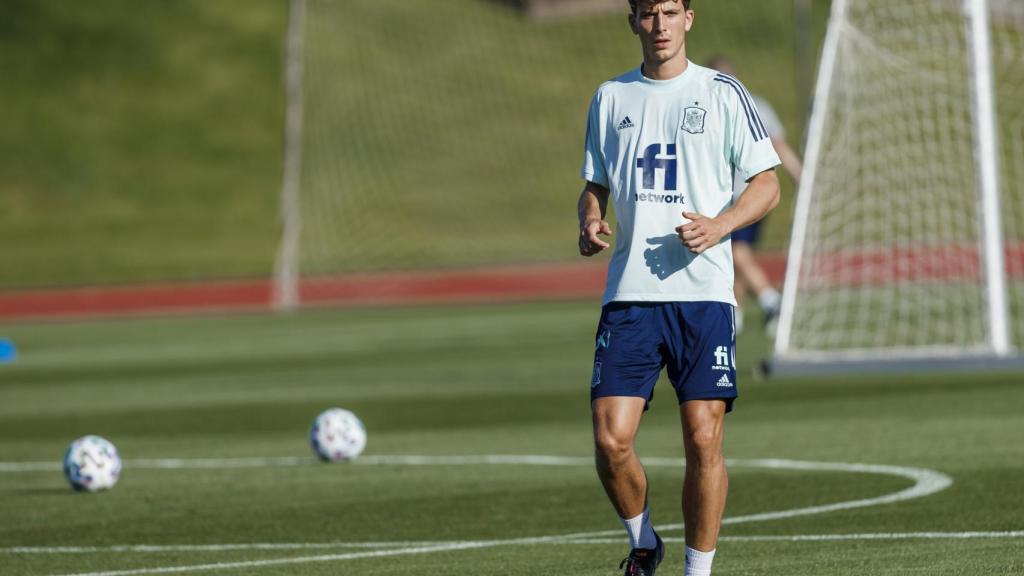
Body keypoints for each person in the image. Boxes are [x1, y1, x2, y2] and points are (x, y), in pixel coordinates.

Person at [576, 1, 780, 575]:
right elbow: (594, 184)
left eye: (670, 11)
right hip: (631, 297)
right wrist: (589, 218)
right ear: (633, 21)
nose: (659, 24)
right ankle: (644, 542)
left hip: (704, 297)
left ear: (689, 18)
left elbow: (767, 185)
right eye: (648, 13)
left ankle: (698, 571)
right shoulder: (610, 97)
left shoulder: (722, 93)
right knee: (611, 440)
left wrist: (720, 226)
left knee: (702, 437)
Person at [706, 55, 803, 335]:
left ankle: (770, 300)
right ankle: (734, 315)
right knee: (737, 255)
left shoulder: (751, 106)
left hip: (747, 194)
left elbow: (778, 145)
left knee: (736, 252)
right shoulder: (706, 107)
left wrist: (801, 178)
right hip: (736, 195)